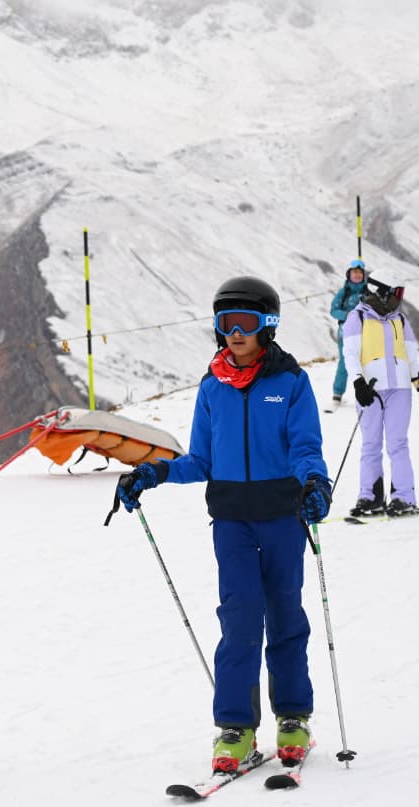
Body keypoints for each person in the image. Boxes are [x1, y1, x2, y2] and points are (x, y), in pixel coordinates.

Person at [116, 276, 330, 774]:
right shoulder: (213, 388)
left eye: (245, 322)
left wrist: (315, 483)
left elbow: (304, 447)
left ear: (267, 327)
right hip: (231, 521)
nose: (234, 332)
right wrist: (154, 472)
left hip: (281, 517)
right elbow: (201, 459)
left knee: (284, 617)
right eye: (225, 323)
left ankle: (294, 717)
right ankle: (236, 727)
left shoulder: (290, 382)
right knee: (238, 621)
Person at [342, 277, 419, 516]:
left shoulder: (400, 319)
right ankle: (370, 497)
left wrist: (417, 377)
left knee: (398, 443)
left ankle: (404, 497)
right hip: (370, 390)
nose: (399, 297)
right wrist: (357, 382)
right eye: (396, 292)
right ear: (382, 291)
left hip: (400, 389)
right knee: (371, 443)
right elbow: (351, 352)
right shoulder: (358, 318)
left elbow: (411, 351)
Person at [329, 260, 370, 406]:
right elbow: (333, 310)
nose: (357, 275)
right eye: (355, 272)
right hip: (345, 334)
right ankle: (337, 393)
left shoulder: (368, 291)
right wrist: (347, 315)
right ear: (349, 274)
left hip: (366, 333)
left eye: (360, 272)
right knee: (345, 363)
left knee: (368, 362)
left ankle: (368, 392)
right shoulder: (343, 292)